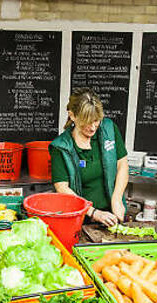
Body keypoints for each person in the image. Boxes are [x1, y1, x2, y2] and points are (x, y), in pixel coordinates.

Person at [49, 88, 129, 227]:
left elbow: (122, 164)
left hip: (114, 214)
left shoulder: (109, 129)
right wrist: (94, 213)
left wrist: (116, 199)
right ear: (72, 115)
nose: (92, 127)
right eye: (87, 122)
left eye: (96, 120)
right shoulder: (60, 147)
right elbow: (62, 188)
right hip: (81, 219)